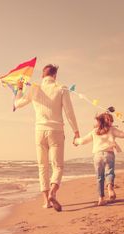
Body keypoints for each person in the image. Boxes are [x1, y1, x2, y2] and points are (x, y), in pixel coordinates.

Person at [14, 64, 80, 211]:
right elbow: (69, 112)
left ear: (42, 75)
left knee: (42, 166)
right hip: (56, 130)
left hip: (39, 131)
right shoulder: (61, 88)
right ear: (55, 75)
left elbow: (17, 104)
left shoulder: (34, 88)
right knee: (57, 166)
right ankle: (53, 192)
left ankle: (46, 201)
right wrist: (76, 131)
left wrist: (19, 88)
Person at [73, 112, 124, 206]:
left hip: (97, 156)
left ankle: (101, 198)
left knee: (99, 177)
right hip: (109, 154)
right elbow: (123, 134)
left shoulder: (94, 131)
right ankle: (110, 188)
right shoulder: (112, 130)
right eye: (110, 120)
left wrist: (76, 141)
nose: (111, 122)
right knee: (109, 172)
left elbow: (83, 141)